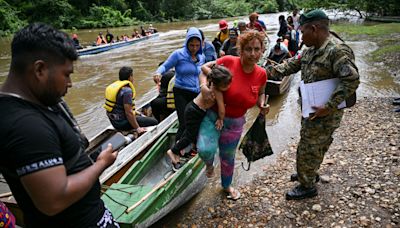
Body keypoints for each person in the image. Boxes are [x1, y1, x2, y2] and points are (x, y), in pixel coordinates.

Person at [0, 23, 120, 227]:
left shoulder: (30, 104)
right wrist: (101, 164)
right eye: (66, 74)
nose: (70, 83)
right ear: (39, 69)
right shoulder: (26, 126)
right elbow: (53, 200)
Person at [268, 9, 360, 200]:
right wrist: (265, 73)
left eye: (302, 31)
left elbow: (351, 80)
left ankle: (307, 185)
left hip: (326, 112)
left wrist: (329, 106)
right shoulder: (310, 50)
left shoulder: (336, 51)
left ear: (314, 28)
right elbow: (291, 65)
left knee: (308, 146)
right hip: (312, 108)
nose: (301, 35)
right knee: (314, 144)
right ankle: (309, 172)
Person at [197, 31, 269, 200]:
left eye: (257, 49)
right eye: (248, 49)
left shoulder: (262, 74)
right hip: (213, 116)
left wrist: (262, 104)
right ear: (241, 50)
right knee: (204, 149)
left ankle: (227, 185)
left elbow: (261, 93)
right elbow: (203, 70)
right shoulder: (228, 61)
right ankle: (209, 164)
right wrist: (203, 87)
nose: (253, 54)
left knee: (227, 157)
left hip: (236, 123)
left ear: (262, 51)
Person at [167, 65, 232, 171]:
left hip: (192, 107)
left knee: (188, 132)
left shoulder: (211, 79)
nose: (229, 86)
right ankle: (173, 151)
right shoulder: (217, 91)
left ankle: (179, 151)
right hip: (195, 111)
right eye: (226, 84)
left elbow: (204, 67)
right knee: (190, 136)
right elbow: (221, 110)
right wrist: (220, 119)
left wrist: (215, 62)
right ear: (219, 84)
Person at [153, 27, 205, 142]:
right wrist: (158, 73)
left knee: (195, 121)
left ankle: (192, 145)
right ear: (187, 42)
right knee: (184, 122)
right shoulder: (178, 54)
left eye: (197, 45)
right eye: (192, 45)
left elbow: (203, 73)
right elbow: (165, 66)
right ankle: (176, 149)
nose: (194, 48)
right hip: (181, 92)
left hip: (196, 93)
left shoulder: (201, 57)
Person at [105, 66, 158, 134]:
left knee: (140, 116)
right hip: (122, 123)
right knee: (154, 122)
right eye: (132, 76)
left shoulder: (113, 87)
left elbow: (119, 107)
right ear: (130, 77)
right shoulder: (127, 91)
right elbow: (128, 113)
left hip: (114, 122)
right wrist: (137, 128)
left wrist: (138, 113)